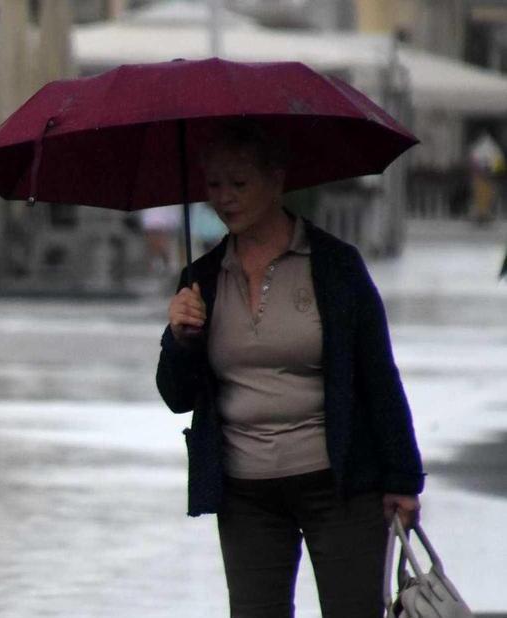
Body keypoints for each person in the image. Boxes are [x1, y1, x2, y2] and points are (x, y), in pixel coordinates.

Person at [155, 120, 424, 618]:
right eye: (214, 185)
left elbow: (378, 378)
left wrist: (403, 480)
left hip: (339, 484)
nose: (224, 198)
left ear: (276, 180)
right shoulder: (203, 278)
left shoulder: (336, 266)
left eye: (239, 183)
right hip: (245, 490)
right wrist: (179, 340)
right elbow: (177, 396)